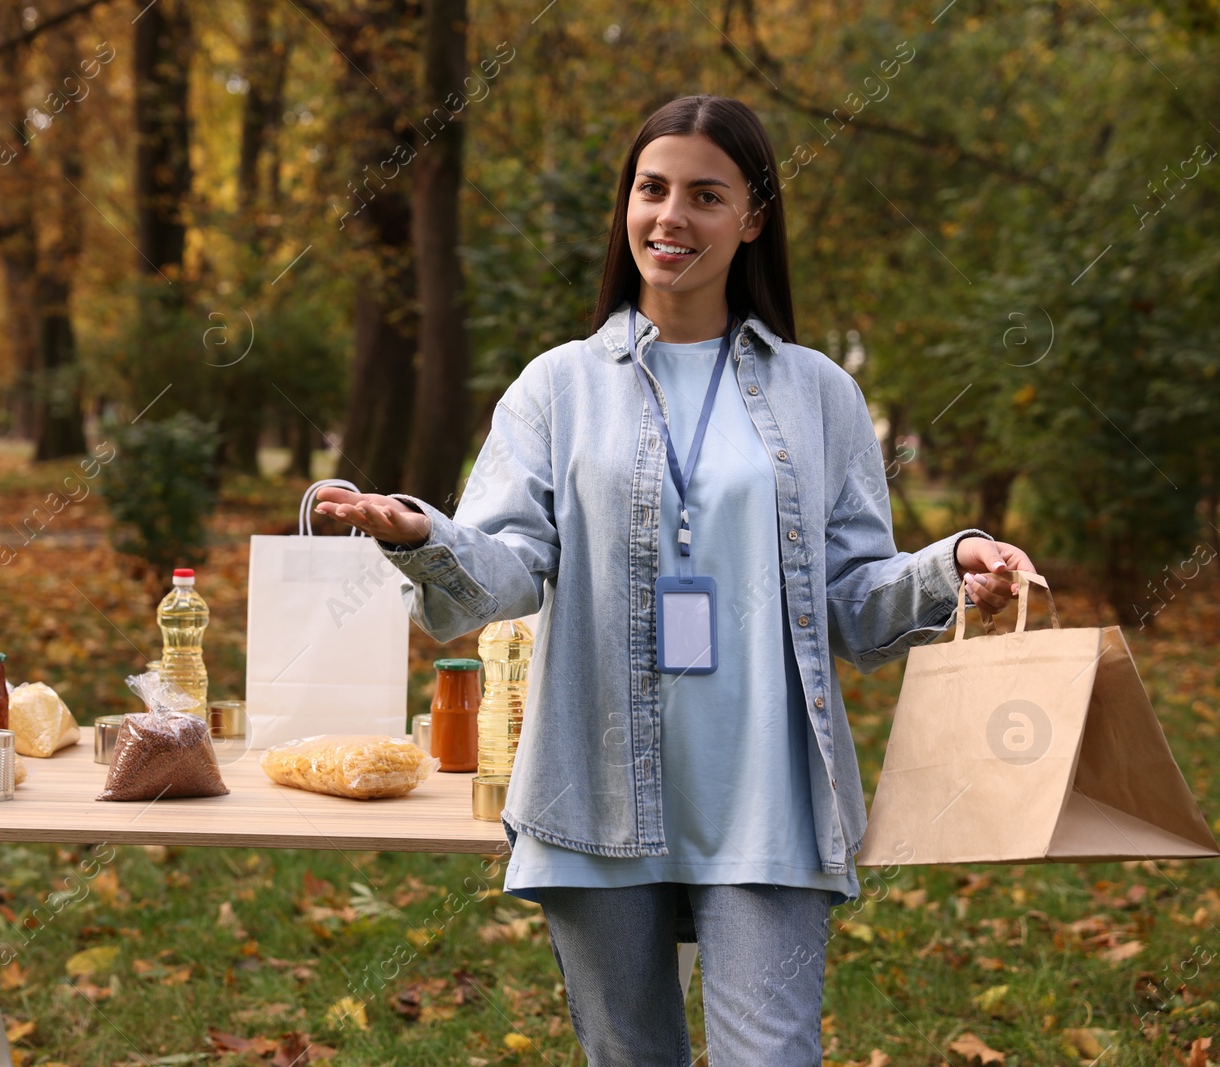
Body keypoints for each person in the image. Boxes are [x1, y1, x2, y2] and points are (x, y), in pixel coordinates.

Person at [313, 95, 1035, 1066]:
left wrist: (949, 565)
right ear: (626, 206)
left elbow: (854, 603)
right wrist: (420, 534)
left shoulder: (818, 391)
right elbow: (502, 575)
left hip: (767, 800)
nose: (671, 217)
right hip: (594, 795)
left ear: (754, 217)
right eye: (651, 190)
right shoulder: (557, 386)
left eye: (705, 195)